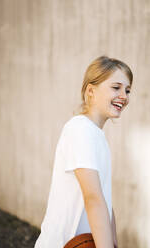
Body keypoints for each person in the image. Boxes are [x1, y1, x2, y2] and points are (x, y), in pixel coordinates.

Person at [34, 56, 133, 248]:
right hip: (62, 243)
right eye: (116, 87)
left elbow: (105, 202)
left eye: (128, 90)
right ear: (91, 91)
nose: (124, 95)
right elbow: (93, 198)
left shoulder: (97, 136)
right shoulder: (80, 130)